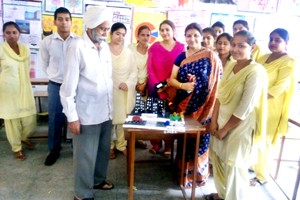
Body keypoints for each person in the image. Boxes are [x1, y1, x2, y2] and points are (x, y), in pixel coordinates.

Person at [60, 6, 114, 200]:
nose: (105, 33)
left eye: (107, 29)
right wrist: (72, 117)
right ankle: (82, 193)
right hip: (86, 113)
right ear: (90, 26)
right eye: (102, 29)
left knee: (101, 151)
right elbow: (67, 89)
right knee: (85, 156)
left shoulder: (105, 47)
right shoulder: (77, 47)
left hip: (106, 110)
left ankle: (98, 180)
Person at [208, 30, 268, 200]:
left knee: (234, 167)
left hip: (240, 127)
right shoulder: (230, 65)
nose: (235, 49)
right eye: (233, 45)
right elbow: (219, 95)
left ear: (252, 47)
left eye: (241, 46)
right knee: (219, 161)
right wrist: (214, 122)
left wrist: (225, 129)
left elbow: (245, 107)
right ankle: (222, 194)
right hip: (220, 122)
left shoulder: (256, 71)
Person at [169, 22, 222, 188]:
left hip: (205, 108)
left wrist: (209, 106)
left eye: (196, 35)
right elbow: (171, 79)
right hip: (184, 106)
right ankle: (183, 176)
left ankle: (197, 177)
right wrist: (183, 86)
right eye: (189, 35)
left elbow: (217, 82)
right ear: (185, 37)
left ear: (202, 37)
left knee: (201, 142)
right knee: (185, 142)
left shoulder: (210, 56)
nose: (192, 39)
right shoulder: (181, 56)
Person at [250, 28, 297, 186]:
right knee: (253, 137)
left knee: (266, 141)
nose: (273, 42)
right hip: (255, 105)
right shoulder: (263, 57)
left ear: (286, 43)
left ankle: (262, 175)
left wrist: (254, 97)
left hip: (271, 108)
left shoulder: (289, 61)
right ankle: (252, 166)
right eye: (271, 39)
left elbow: (279, 88)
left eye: (278, 40)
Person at [39, 7, 79, 166]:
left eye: (67, 19)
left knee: (76, 117)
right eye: (60, 19)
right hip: (56, 86)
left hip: (75, 87)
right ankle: (54, 149)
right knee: (54, 119)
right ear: (55, 21)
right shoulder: (47, 42)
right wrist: (55, 75)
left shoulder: (78, 41)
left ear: (71, 21)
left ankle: (78, 147)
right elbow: (43, 64)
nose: (64, 22)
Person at [147, 19, 185, 156]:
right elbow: (150, 68)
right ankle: (156, 144)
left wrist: (170, 84)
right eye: (162, 30)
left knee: (170, 117)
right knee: (155, 116)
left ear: (173, 31)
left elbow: (182, 68)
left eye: (167, 29)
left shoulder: (181, 47)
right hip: (156, 88)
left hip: (173, 88)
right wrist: (159, 86)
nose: (164, 32)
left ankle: (168, 145)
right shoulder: (154, 47)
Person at [0, 21, 36, 160]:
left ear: (19, 34)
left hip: (24, 87)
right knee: (12, 120)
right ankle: (16, 147)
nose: (11, 35)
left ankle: (23, 136)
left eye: (14, 32)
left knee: (30, 119)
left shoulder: (25, 50)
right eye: (8, 32)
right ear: (4, 34)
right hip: (7, 90)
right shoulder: (1, 49)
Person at [109, 22, 137, 159]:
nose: (120, 37)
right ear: (111, 34)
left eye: (123, 35)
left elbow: (134, 72)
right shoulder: (103, 50)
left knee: (121, 120)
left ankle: (121, 145)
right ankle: (108, 146)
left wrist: (128, 83)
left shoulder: (128, 53)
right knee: (108, 119)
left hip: (123, 90)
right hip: (106, 90)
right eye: (117, 33)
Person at [128, 25, 151, 149]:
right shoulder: (130, 48)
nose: (145, 37)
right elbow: (127, 66)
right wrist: (135, 83)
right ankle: (126, 140)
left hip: (145, 86)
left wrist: (145, 84)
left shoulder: (152, 50)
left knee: (142, 112)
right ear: (137, 36)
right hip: (131, 84)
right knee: (129, 111)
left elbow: (152, 69)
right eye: (143, 34)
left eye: (148, 35)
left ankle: (139, 138)